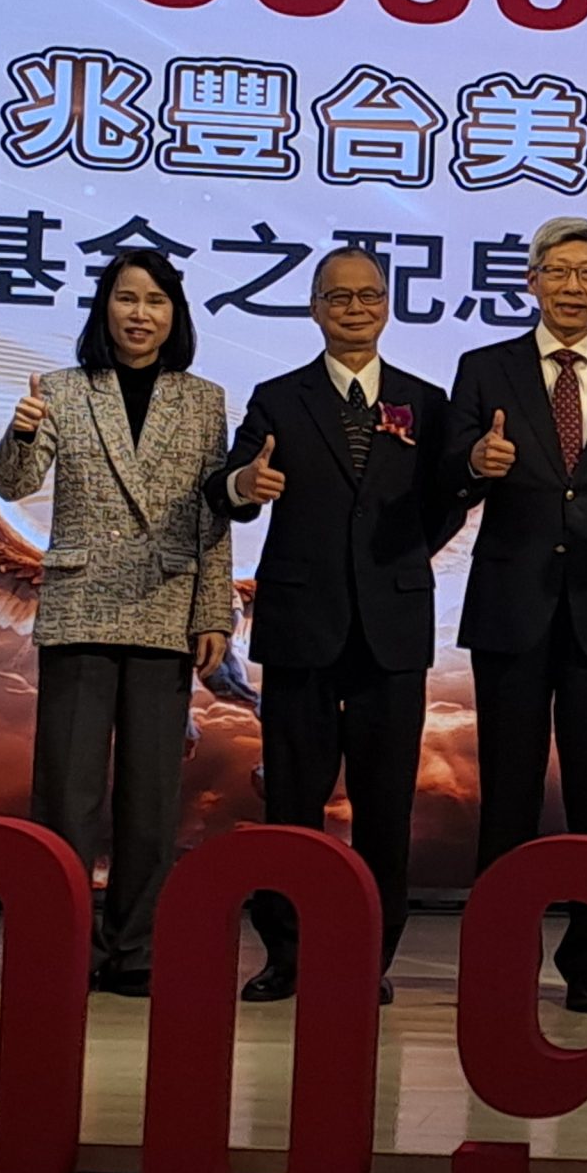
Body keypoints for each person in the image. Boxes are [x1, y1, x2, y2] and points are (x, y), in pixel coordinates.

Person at [207, 246, 467, 1006]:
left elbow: (447, 501)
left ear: (387, 304)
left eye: (368, 295)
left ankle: (367, 954)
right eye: (338, 297)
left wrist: (402, 555)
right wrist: (246, 483)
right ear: (315, 308)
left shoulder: (425, 401)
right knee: (293, 801)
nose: (355, 309)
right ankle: (285, 953)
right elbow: (227, 488)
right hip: (301, 625)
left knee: (386, 805)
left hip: (392, 626)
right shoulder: (278, 398)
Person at [449, 215, 587, 1014]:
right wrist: (475, 462)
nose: (574, 287)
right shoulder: (485, 369)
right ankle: (501, 955)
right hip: (511, 608)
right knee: (507, 793)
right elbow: (448, 476)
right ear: (532, 280)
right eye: (559, 271)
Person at [0, 248, 231, 997]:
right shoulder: (62, 390)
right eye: (126, 298)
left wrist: (213, 610)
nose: (139, 314)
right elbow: (14, 484)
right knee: (67, 795)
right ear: (104, 308)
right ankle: (57, 944)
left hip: (165, 605)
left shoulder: (204, 400)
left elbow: (215, 515)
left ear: (174, 314)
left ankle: (135, 950)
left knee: (150, 800)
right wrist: (21, 431)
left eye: (155, 301)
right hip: (81, 606)